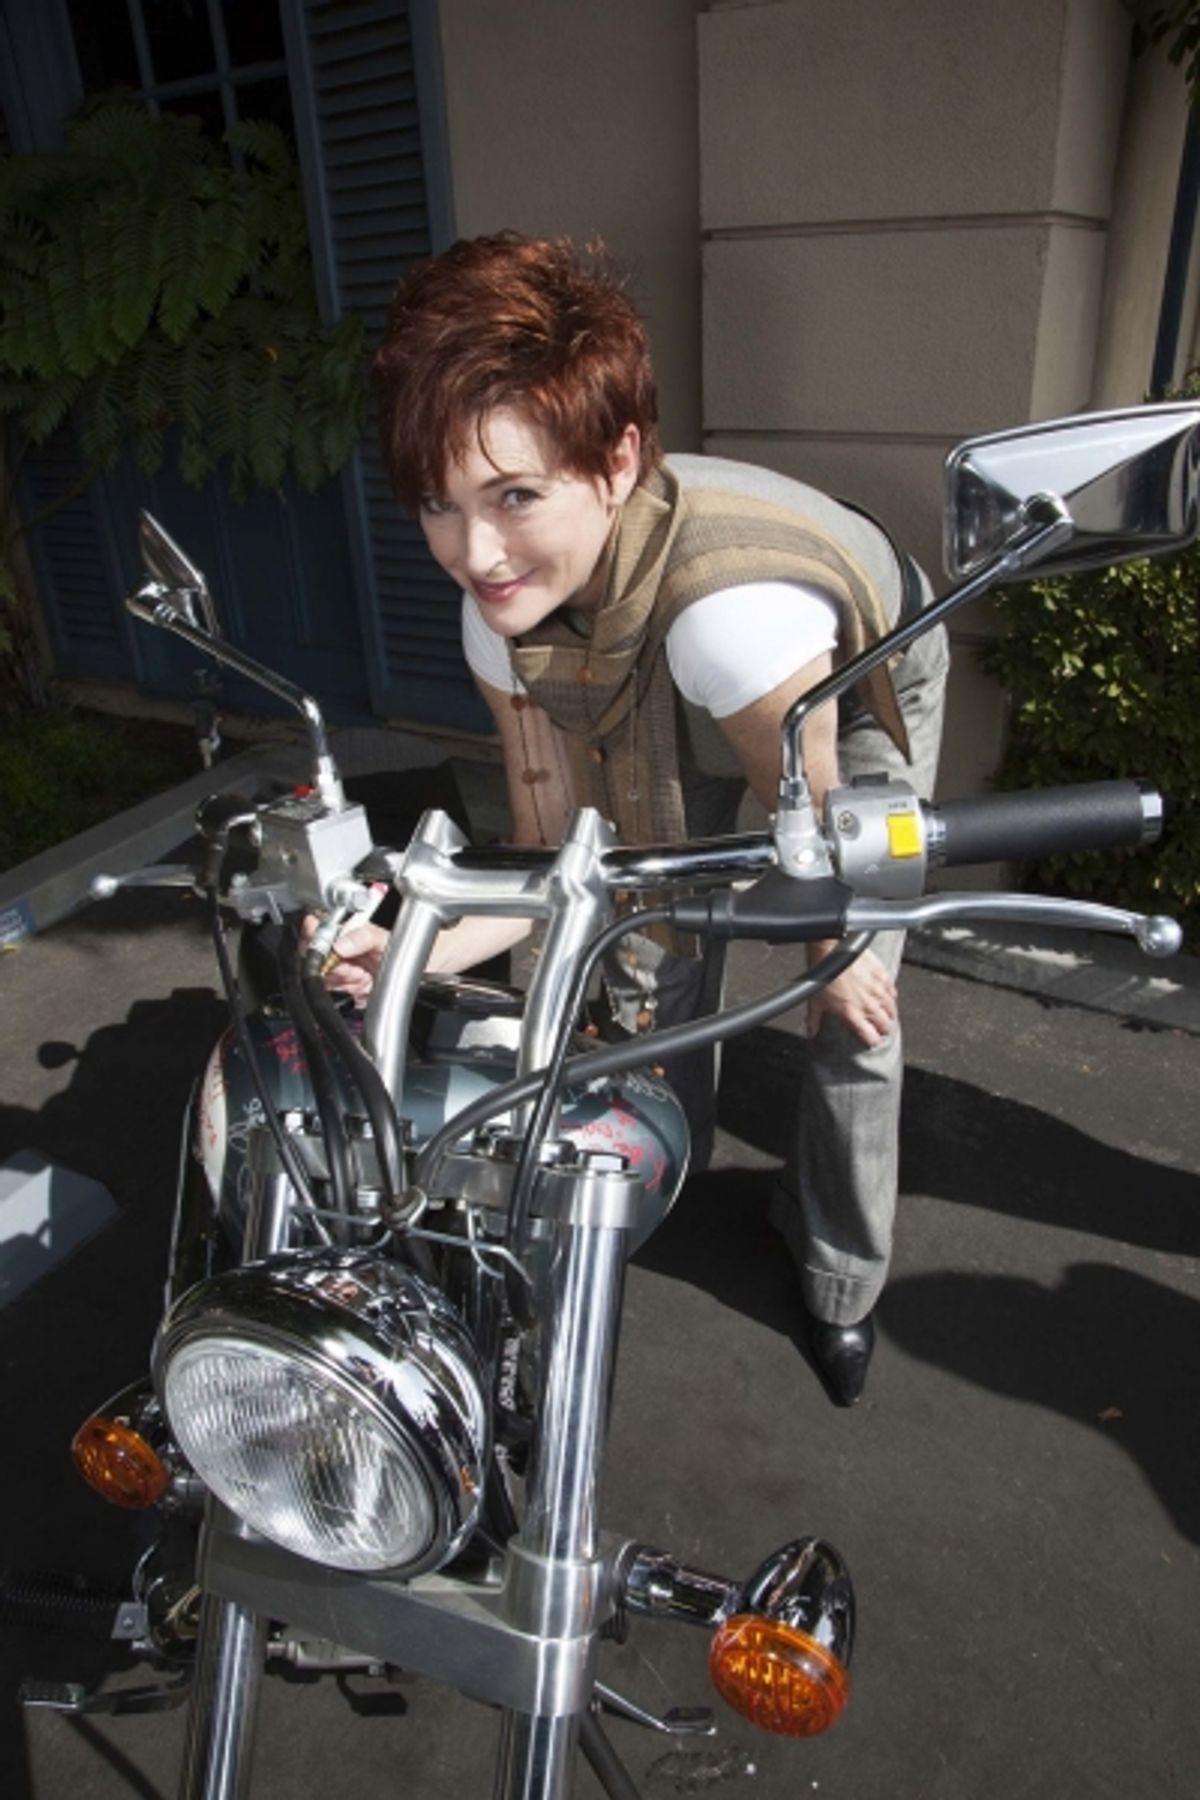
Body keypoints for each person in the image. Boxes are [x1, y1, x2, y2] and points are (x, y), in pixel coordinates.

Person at [330, 232, 948, 1406]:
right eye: (438, 504)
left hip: (839, 680)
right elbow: (557, 859)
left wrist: (839, 947)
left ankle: (839, 1277)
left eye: (515, 495)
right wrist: (409, 939)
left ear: (615, 461)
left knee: (853, 1009)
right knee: (638, 945)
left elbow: (803, 826)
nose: (475, 551)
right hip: (643, 656)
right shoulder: (500, 607)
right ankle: (652, 1178)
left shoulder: (740, 626)